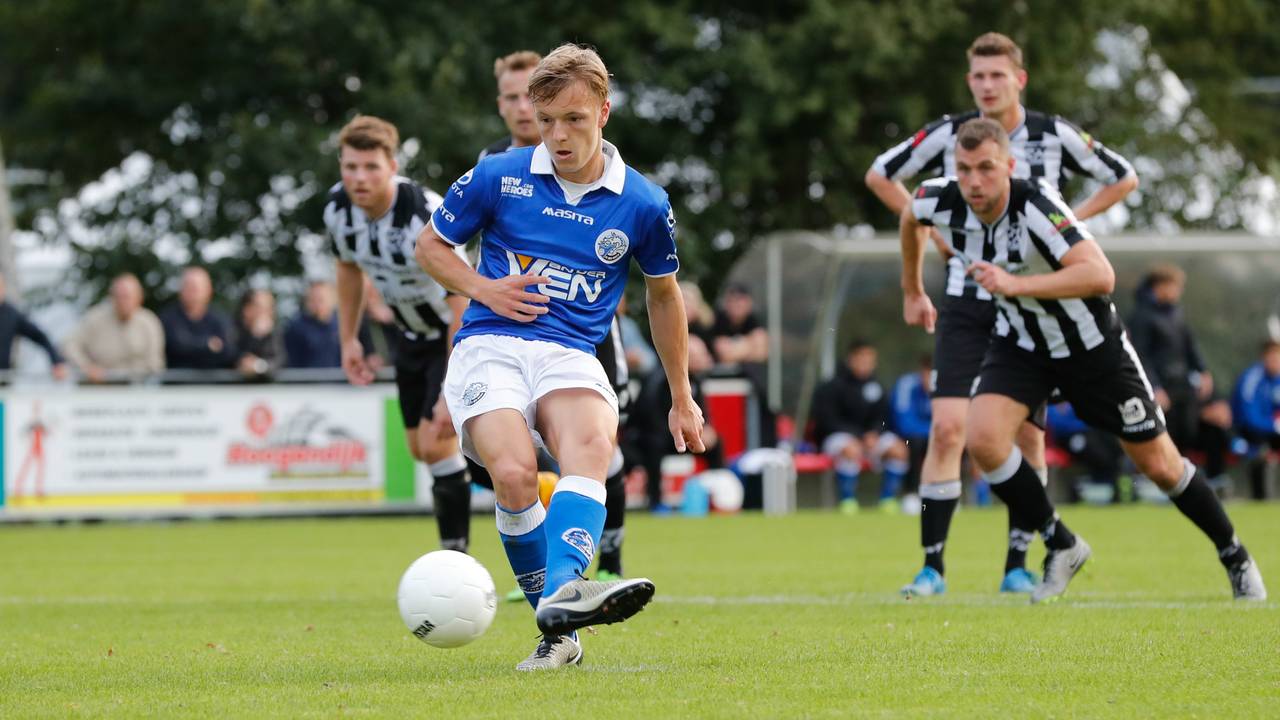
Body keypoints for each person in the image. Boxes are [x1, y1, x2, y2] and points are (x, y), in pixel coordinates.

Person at [416, 44, 703, 670]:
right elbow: (431, 245)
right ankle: (561, 615)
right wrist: (486, 289)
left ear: (604, 111)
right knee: (515, 475)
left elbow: (663, 295)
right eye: (547, 120)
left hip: (571, 351)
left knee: (592, 447)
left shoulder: (643, 203)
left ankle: (561, 606)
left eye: (573, 119)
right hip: (490, 346)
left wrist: (682, 395)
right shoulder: (499, 175)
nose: (558, 135)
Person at [899, 118, 1265, 603]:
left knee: (1160, 465)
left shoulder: (1036, 206)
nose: (974, 181)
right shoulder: (939, 199)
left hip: (1091, 349)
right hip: (1023, 344)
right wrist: (912, 288)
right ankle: (1061, 543)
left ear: (1009, 166)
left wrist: (1016, 285)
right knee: (983, 438)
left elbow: (1099, 274)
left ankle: (1235, 555)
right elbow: (910, 217)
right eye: (964, 169)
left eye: (986, 168)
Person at [869, 32, 1139, 596]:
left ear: (1020, 79)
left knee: (1027, 439)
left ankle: (1017, 564)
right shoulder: (951, 134)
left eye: (998, 75)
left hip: (1031, 304)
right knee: (948, 428)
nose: (987, 85)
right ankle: (932, 568)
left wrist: (1070, 223)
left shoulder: (1053, 134)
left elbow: (1125, 177)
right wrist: (931, 245)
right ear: (969, 80)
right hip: (967, 299)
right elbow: (881, 176)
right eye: (978, 76)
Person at [475, 50, 635, 586]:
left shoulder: (601, 166)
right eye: (515, 99)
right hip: (511, 333)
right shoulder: (494, 165)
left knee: (598, 447)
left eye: (534, 99)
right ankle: (551, 574)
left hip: (584, 334)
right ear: (505, 105)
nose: (525, 109)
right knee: (518, 459)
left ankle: (606, 560)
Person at [322, 114, 473, 553]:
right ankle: (524, 482)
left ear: (392, 166)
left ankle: (455, 559)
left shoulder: (424, 215)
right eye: (351, 167)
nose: (359, 177)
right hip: (408, 337)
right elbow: (348, 269)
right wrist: (349, 339)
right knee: (420, 449)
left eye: (371, 167)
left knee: (436, 443)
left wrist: (450, 387)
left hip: (454, 337)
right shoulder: (337, 210)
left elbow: (461, 303)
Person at [1127, 264, 1232, 482]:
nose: (1178, 292)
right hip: (1161, 388)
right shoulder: (1141, 316)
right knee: (1165, 432)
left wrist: (1203, 371)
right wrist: (1154, 387)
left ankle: (1203, 480)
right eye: (1174, 287)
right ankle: (1163, 480)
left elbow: (1190, 346)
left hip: (1182, 386)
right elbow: (1140, 355)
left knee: (1198, 427)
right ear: (1160, 286)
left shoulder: (1176, 313)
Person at [811, 340, 911, 513]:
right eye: (862, 358)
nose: (866, 363)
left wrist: (875, 433)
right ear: (851, 359)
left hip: (870, 439)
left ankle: (887, 500)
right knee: (851, 449)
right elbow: (827, 420)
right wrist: (857, 436)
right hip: (837, 437)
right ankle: (848, 501)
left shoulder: (878, 387)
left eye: (870, 359)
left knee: (899, 450)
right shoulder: (831, 387)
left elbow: (883, 418)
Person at [61, 273, 165, 382]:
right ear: (111, 297)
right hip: (99, 386)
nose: (122, 302)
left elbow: (155, 362)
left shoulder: (149, 322)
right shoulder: (94, 318)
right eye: (118, 296)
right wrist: (86, 366)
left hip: (137, 386)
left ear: (139, 298)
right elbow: (69, 345)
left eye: (127, 297)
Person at [711, 282, 776, 446]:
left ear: (748, 303)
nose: (736, 305)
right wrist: (749, 344)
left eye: (740, 300)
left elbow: (761, 353)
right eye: (732, 301)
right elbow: (726, 355)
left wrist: (737, 347)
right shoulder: (719, 321)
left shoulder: (755, 320)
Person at [1045, 401, 1127, 503]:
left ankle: (1112, 484)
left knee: (1110, 442)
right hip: (1067, 439)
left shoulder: (1072, 402)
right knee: (1096, 453)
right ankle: (1100, 486)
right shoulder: (1051, 405)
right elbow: (1059, 425)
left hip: (1089, 434)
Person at [160, 266, 235, 371]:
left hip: (214, 379)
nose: (192, 292)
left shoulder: (221, 318)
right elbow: (174, 347)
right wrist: (208, 345)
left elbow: (228, 353)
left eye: (196, 288)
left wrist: (190, 345)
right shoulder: (167, 318)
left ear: (209, 290)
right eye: (188, 287)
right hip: (176, 379)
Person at [1231, 340, 1280, 499]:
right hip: (1245, 432)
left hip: (1270, 431)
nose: (1276, 362)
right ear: (1264, 357)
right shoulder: (1252, 379)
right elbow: (1249, 419)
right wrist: (1274, 425)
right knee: (1260, 451)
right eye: (1273, 357)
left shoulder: (1277, 379)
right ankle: (1260, 495)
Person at [0, 275, 67, 382]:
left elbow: (40, 337)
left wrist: (56, 362)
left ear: (4, 288)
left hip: (3, 379)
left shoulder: (11, 315)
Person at [890, 354, 934, 511]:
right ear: (922, 371)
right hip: (902, 436)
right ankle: (911, 494)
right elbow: (905, 424)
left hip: (933, 436)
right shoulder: (906, 385)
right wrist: (936, 431)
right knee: (915, 443)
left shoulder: (948, 387)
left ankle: (944, 494)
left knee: (953, 444)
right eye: (928, 373)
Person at [284, 280, 342, 369]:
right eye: (312, 300)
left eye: (321, 299)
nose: (316, 304)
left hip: (339, 377)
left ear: (333, 300)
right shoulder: (296, 328)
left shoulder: (343, 326)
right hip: (306, 377)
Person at [232, 288, 281, 380]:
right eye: (261, 308)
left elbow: (279, 361)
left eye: (270, 308)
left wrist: (258, 366)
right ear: (247, 309)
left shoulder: (274, 333)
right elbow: (231, 357)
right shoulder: (232, 330)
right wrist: (255, 337)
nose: (268, 313)